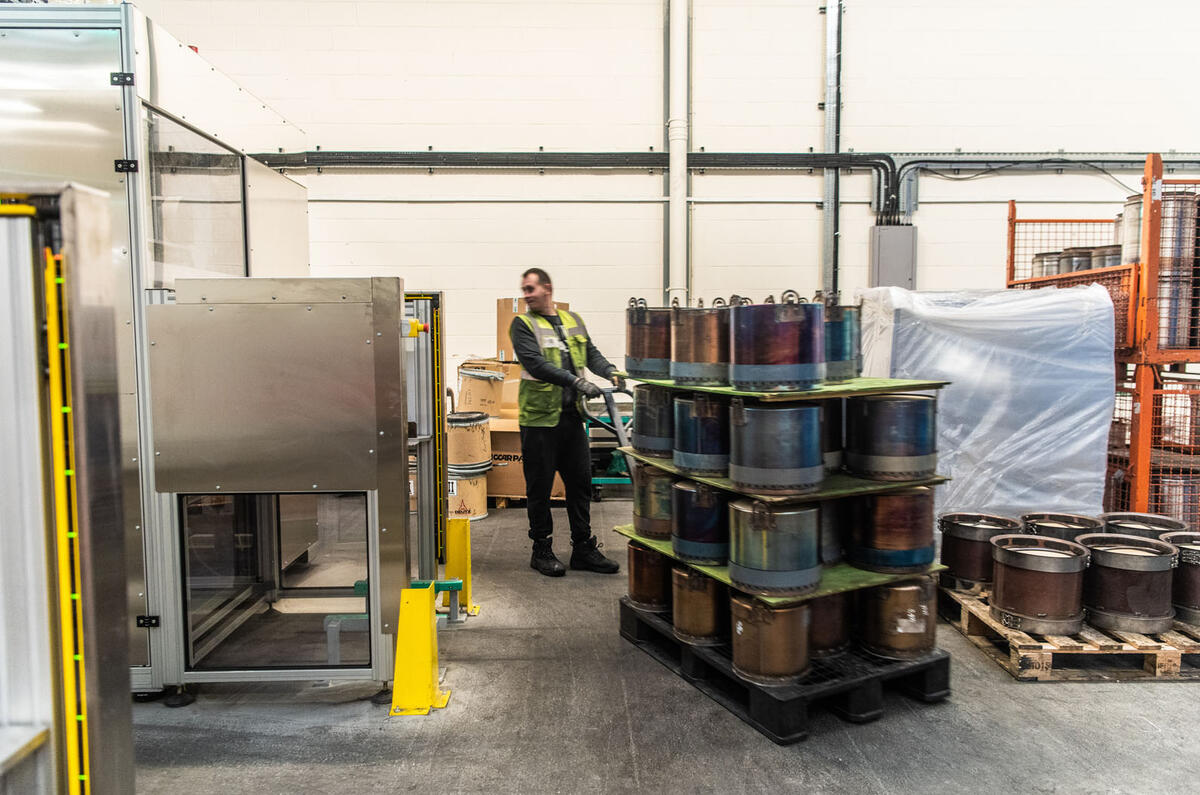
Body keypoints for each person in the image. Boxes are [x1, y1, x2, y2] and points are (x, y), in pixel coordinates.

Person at [509, 267, 626, 577]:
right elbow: (536, 364)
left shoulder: (572, 320)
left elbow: (591, 353)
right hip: (539, 421)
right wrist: (576, 382)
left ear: (547, 288)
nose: (526, 295)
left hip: (571, 418)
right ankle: (541, 550)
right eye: (524, 289)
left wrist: (611, 371)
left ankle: (583, 548)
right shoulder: (522, 325)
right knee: (540, 488)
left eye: (531, 288)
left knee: (580, 484)